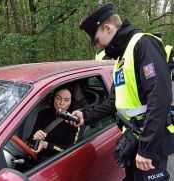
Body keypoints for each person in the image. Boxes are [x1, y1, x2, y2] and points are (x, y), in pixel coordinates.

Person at [71, 2, 174, 181]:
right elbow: (113, 102)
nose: (98, 46)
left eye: (96, 40)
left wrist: (146, 149)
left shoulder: (144, 44)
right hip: (133, 141)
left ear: (107, 28)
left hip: (150, 144)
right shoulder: (121, 59)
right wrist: (85, 115)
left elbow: (160, 98)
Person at [27, 86, 80, 162]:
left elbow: (69, 150)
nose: (61, 103)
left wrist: (46, 145)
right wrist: (36, 136)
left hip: (55, 162)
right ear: (53, 98)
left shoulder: (73, 121)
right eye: (58, 98)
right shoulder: (43, 113)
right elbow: (30, 141)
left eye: (66, 100)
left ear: (71, 102)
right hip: (35, 157)